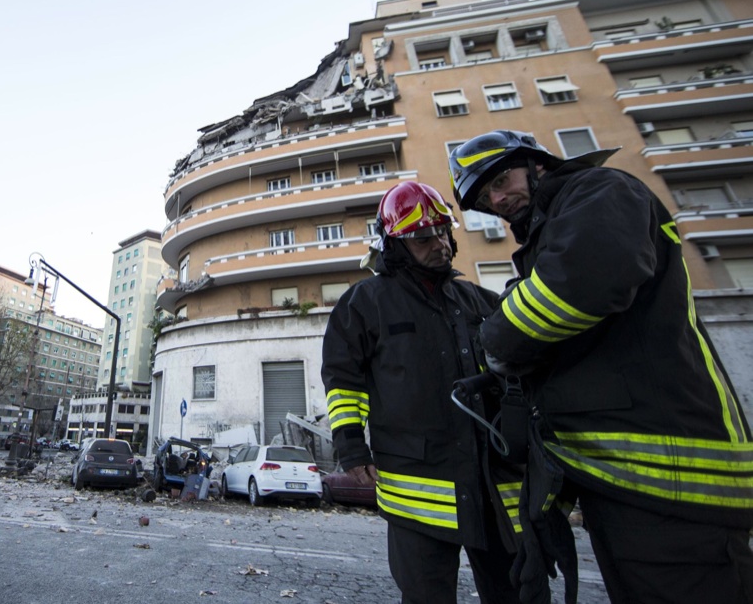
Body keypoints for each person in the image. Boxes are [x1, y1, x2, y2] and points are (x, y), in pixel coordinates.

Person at [449, 129, 753, 603]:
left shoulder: (600, 190)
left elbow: (580, 283)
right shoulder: (556, 224)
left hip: (672, 482)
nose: (498, 198)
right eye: (487, 196)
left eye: (502, 180)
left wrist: (496, 338)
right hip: (628, 483)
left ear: (537, 163)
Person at [321, 181, 523, 604]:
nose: (440, 245)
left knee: (516, 594)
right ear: (395, 245)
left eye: (443, 233)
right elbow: (343, 381)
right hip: (418, 490)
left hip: (494, 485)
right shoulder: (365, 302)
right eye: (422, 237)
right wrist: (353, 450)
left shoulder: (477, 300)